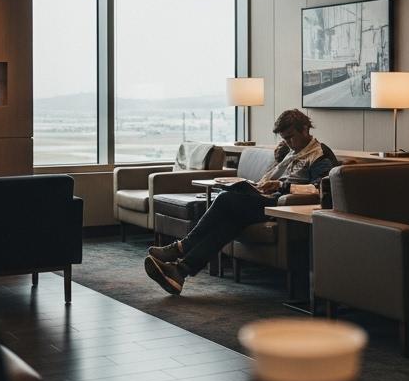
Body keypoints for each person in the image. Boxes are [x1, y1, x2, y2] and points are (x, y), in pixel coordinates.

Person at [143, 109, 337, 296]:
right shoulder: (292, 151)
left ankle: (182, 247)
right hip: (268, 199)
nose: (288, 143)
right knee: (228, 224)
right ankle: (180, 272)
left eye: (291, 136)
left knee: (225, 199)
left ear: (305, 129)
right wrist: (261, 185)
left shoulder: (319, 154)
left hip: (283, 206)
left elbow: (320, 189)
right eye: (284, 138)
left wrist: (282, 186)